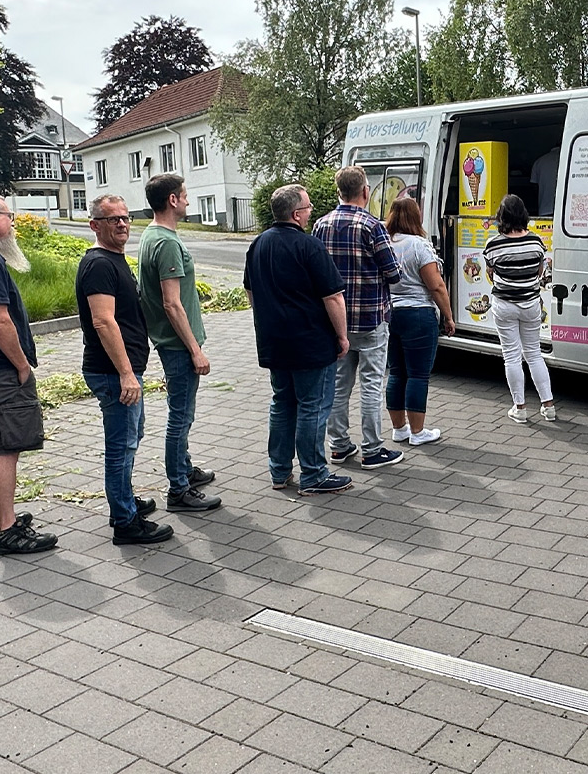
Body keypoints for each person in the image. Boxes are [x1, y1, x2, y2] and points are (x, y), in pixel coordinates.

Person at [244, 184, 353, 496]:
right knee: (313, 406)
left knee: (282, 402)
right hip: (309, 341)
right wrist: (342, 336)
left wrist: (269, 313)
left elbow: (250, 289)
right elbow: (333, 297)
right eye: (307, 208)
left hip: (274, 340)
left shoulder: (258, 244)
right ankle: (314, 474)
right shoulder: (309, 246)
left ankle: (279, 471)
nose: (310, 212)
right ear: (296, 214)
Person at [76, 195, 173, 545]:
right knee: (120, 446)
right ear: (95, 226)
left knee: (131, 438)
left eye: (125, 217)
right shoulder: (99, 264)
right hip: (113, 372)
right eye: (112, 219)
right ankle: (125, 522)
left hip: (124, 370)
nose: (121, 223)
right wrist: (126, 374)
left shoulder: (115, 260)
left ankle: (125, 499)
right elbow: (103, 321)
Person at [138, 173, 221, 513]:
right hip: (177, 345)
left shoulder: (151, 234)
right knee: (180, 416)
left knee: (181, 413)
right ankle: (179, 489)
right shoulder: (167, 242)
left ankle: (184, 468)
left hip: (169, 342)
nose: (188, 200)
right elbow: (172, 303)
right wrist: (195, 349)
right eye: (185, 195)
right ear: (172, 200)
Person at [312, 165, 404, 470]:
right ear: (365, 191)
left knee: (339, 385)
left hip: (334, 322)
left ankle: (338, 446)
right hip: (370, 319)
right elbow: (393, 274)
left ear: (339, 191)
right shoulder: (372, 226)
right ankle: (372, 449)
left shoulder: (321, 225)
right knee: (371, 384)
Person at [0, 198, 57, 555]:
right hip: (4, 371)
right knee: (7, 449)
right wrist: (22, 364)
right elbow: (1, 321)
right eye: (9, 215)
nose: (14, 222)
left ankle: (4, 518)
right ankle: (6, 528)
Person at [383, 198, 455, 446]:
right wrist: (448, 316)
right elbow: (436, 285)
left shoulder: (384, 243)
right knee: (417, 375)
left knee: (396, 372)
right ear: (416, 217)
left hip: (390, 314)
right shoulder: (419, 246)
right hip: (418, 315)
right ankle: (418, 432)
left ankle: (398, 428)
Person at [483, 193, 556, 424]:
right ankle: (548, 405)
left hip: (504, 305)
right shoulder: (536, 242)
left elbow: (491, 273)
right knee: (534, 354)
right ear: (523, 215)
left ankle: (520, 407)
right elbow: (538, 272)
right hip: (531, 304)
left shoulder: (493, 244)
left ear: (501, 217)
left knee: (512, 356)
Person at [530, 145, 560, 217]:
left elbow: (534, 186)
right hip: (565, 212)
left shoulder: (539, 161)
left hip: (544, 210)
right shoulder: (571, 161)